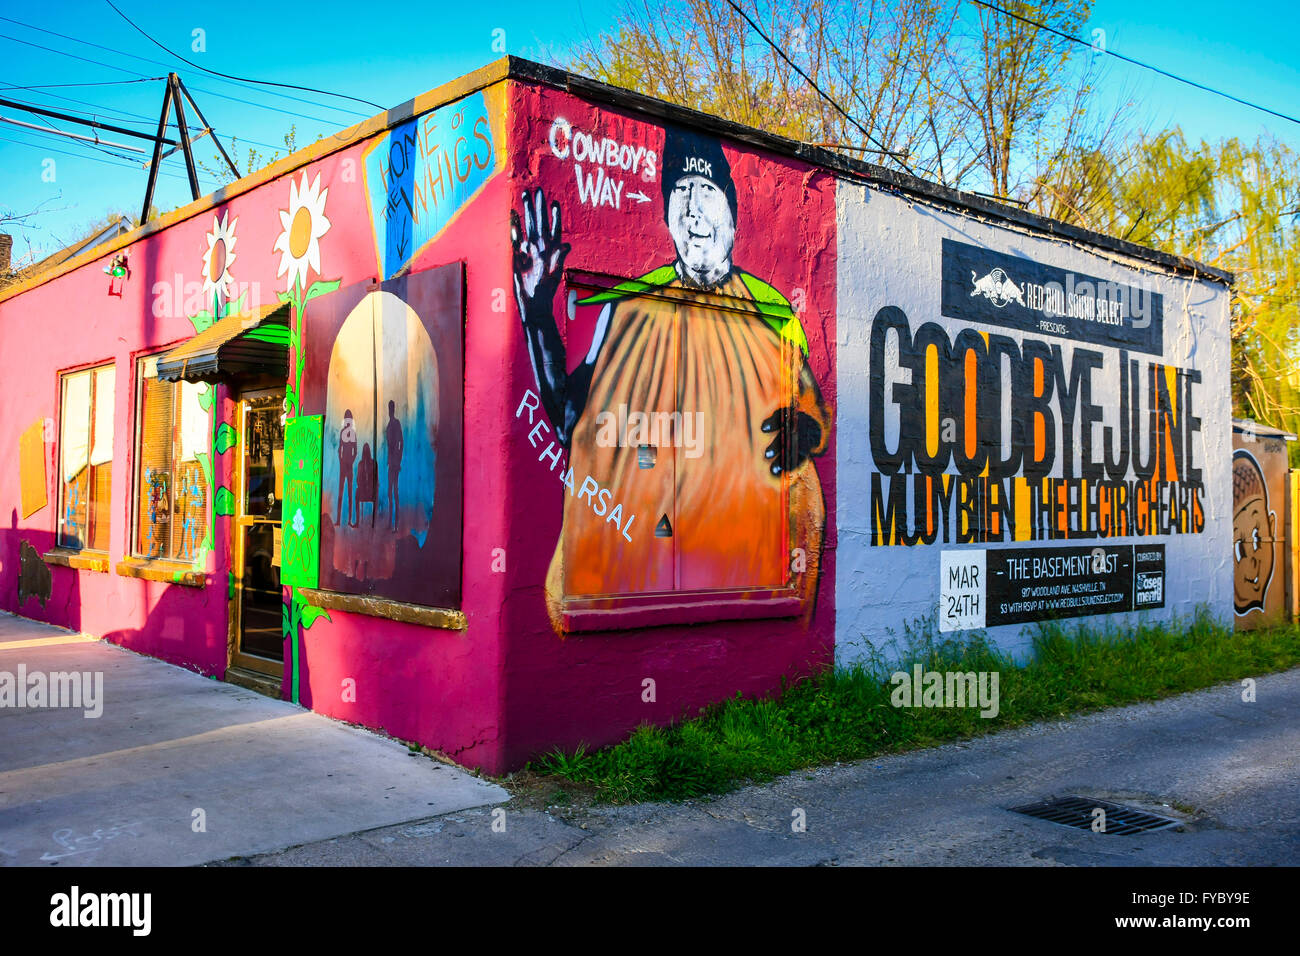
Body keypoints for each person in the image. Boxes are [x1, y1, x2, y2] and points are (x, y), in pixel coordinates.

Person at [511, 126, 831, 625]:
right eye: (680, 192)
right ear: (664, 214)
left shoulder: (773, 312)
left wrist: (803, 431)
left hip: (756, 570)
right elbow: (570, 418)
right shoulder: (631, 309)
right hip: (643, 570)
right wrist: (536, 312)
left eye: (707, 192)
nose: (692, 210)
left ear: (732, 214)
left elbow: (812, 413)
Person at [384, 399, 403, 531]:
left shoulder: (396, 424)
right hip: (391, 463)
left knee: (395, 493)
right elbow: (388, 446)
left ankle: (396, 525)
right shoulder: (388, 426)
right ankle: (391, 524)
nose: (391, 410)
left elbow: (401, 443)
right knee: (390, 493)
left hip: (395, 463)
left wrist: (398, 460)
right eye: (389, 408)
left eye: (392, 408)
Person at [337, 409, 358, 528]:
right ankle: (339, 520)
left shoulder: (353, 434)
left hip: (348, 466)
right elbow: (339, 449)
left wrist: (350, 461)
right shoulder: (342, 432)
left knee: (350, 493)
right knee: (341, 493)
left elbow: (355, 451)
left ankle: (349, 520)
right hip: (343, 466)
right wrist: (341, 461)